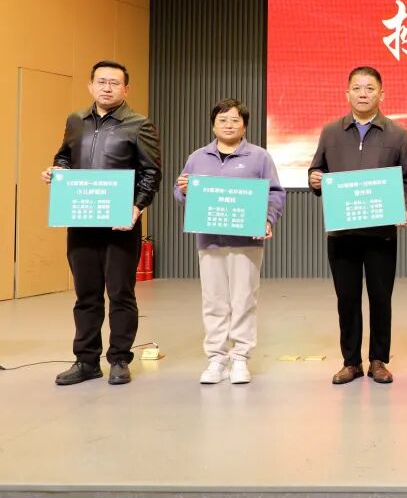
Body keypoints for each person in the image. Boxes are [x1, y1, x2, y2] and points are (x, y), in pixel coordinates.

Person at [41, 60, 162, 386]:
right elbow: (64, 156)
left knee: (121, 293)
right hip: (80, 219)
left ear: (126, 89)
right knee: (86, 294)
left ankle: (120, 358)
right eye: (101, 82)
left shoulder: (139, 124)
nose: (107, 88)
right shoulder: (75, 121)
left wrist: (137, 207)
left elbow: (151, 172)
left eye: (114, 83)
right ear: (91, 86)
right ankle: (86, 360)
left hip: (120, 223)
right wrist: (58, 170)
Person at [308, 66, 407, 385]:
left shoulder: (397, 134)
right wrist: (314, 180)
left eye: (370, 88)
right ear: (347, 94)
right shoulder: (331, 132)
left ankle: (378, 360)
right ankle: (351, 362)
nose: (363, 94)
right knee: (347, 299)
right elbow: (317, 171)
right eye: (356, 88)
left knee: (380, 298)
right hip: (342, 233)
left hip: (381, 233)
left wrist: (406, 208)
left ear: (382, 94)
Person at [174, 99, 286, 385]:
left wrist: (267, 219)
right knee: (213, 300)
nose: (228, 125)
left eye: (235, 120)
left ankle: (240, 358)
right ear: (213, 125)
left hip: (247, 241)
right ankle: (216, 359)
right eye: (222, 120)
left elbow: (275, 193)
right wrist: (184, 190)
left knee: (244, 299)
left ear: (244, 125)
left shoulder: (259, 157)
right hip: (209, 240)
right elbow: (179, 192)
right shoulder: (197, 157)